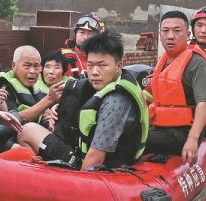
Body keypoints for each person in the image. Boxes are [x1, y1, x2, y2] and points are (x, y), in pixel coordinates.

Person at [17, 32, 149, 170]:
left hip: (101, 166)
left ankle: (44, 179)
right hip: (81, 150)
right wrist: (57, 108)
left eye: (102, 65)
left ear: (119, 66)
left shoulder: (116, 101)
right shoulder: (107, 82)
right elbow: (77, 95)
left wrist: (79, 185)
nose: (95, 72)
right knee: (26, 130)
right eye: (90, 65)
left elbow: (96, 156)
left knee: (25, 131)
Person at [145, 10, 206, 165]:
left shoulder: (197, 64)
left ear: (188, 34)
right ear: (160, 34)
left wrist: (192, 139)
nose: (170, 36)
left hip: (183, 132)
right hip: (160, 127)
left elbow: (203, 103)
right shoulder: (163, 61)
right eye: (165, 31)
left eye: (177, 31)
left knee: (130, 141)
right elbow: (148, 95)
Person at [0, 45, 65, 124]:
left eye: (36, 66)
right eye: (27, 66)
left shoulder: (42, 83)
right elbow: (11, 119)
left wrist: (53, 110)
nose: (32, 71)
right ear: (14, 66)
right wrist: (47, 101)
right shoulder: (4, 84)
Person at [59, 13, 106, 79]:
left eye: (90, 34)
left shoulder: (106, 59)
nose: (85, 37)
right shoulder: (61, 56)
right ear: (75, 34)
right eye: (82, 32)